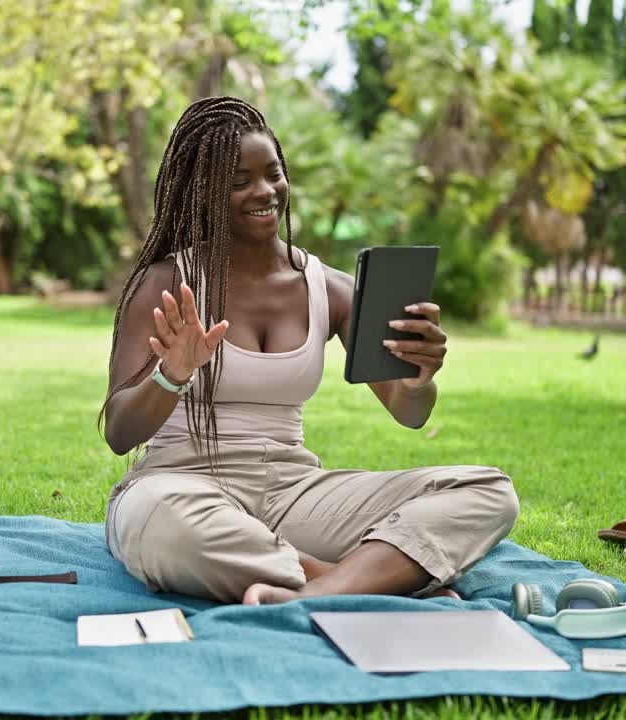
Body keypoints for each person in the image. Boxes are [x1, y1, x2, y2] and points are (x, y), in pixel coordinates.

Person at [97, 96, 518, 606]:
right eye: (239, 182)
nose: (265, 191)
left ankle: (316, 589)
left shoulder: (330, 289)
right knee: (159, 526)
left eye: (273, 173)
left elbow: (409, 414)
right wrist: (171, 376)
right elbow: (120, 433)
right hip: (183, 485)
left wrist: (418, 380)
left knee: (487, 492)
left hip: (294, 493)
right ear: (202, 193)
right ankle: (365, 581)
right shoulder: (166, 284)